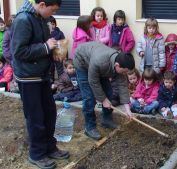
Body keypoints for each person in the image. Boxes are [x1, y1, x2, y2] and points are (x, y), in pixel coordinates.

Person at [10, 0, 69, 168]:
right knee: (35, 117)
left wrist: (53, 52)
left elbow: (43, 45)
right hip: (28, 78)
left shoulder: (40, 19)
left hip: (41, 75)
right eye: (53, 10)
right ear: (42, 4)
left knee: (49, 113)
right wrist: (45, 47)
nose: (53, 14)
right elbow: (19, 51)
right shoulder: (23, 20)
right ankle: (36, 153)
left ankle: (49, 147)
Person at [73, 41, 134, 140]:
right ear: (117, 65)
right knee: (89, 98)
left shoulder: (120, 63)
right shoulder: (100, 62)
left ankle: (106, 119)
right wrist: (103, 100)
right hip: (82, 62)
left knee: (109, 92)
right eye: (124, 71)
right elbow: (93, 82)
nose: (125, 74)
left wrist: (127, 109)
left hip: (97, 64)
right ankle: (90, 127)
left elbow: (122, 86)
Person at [48, 15, 65, 85]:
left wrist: (64, 55)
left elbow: (64, 43)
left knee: (60, 68)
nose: (52, 26)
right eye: (50, 24)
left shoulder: (60, 33)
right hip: (48, 55)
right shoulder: (45, 33)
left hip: (58, 54)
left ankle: (62, 82)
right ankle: (51, 82)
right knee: (50, 68)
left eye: (53, 24)